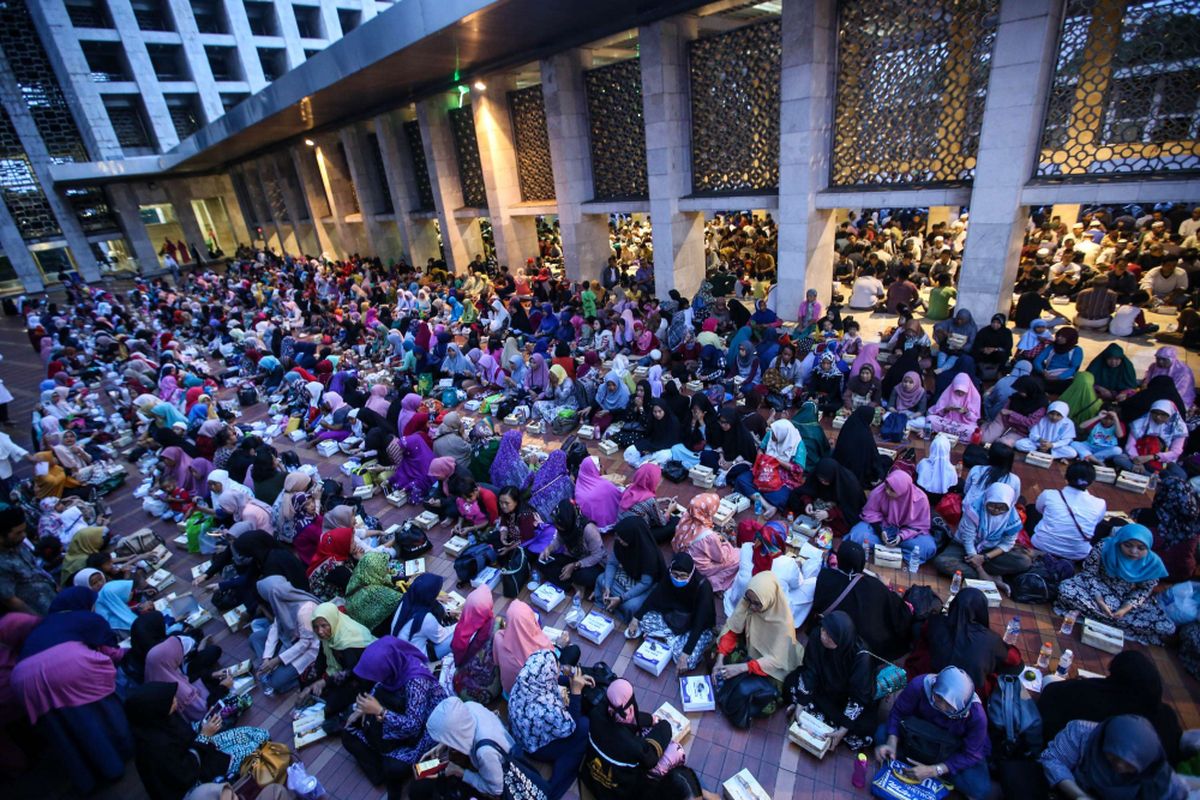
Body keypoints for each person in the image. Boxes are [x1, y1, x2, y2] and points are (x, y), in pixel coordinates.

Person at [11, 591, 133, 794]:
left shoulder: (44, 624)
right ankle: (114, 763)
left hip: (22, 678)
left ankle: (86, 778)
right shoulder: (86, 617)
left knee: (61, 728)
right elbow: (112, 652)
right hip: (67, 665)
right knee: (97, 714)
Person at [125, 681, 269, 800]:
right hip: (194, 779)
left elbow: (187, 734)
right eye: (170, 700)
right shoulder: (154, 747)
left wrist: (205, 724)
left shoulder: (161, 721)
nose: (175, 700)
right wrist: (205, 736)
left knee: (256, 734)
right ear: (156, 709)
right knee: (253, 748)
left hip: (203, 749)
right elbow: (185, 774)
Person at [342, 637, 448, 797]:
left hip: (421, 730)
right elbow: (379, 687)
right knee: (348, 733)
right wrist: (361, 711)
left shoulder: (417, 682)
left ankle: (388, 769)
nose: (377, 678)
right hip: (392, 717)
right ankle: (381, 773)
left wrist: (380, 712)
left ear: (387, 667)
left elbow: (413, 726)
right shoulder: (393, 669)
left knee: (395, 768)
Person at [1038, 651, 1183, 765]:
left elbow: (1052, 694)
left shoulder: (1094, 697)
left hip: (1072, 761)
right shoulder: (1166, 715)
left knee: (1049, 679)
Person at [876, 668, 991, 800]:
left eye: (949, 705)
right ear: (934, 686)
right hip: (917, 739)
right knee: (881, 735)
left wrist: (934, 770)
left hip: (949, 751)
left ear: (962, 705)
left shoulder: (977, 716)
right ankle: (923, 766)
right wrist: (892, 743)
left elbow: (970, 754)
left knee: (979, 788)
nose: (941, 706)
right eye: (938, 697)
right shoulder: (919, 685)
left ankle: (924, 767)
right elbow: (898, 713)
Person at [1054, 524, 1175, 645]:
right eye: (1128, 545)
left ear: (1148, 548)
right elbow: (1089, 574)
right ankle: (1115, 623)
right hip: (1094, 592)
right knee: (1066, 589)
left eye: (1141, 548)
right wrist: (1100, 601)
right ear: (1119, 541)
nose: (1133, 551)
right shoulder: (1105, 547)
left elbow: (1144, 590)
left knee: (1166, 626)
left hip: (1124, 599)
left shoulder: (1152, 563)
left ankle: (1100, 618)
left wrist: (1125, 608)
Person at [783, 611, 877, 750]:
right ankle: (810, 713)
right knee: (791, 683)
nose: (824, 637)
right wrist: (801, 704)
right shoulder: (817, 635)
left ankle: (821, 720)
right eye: (823, 630)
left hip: (845, 700)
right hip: (822, 687)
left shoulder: (861, 657)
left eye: (830, 636)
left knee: (863, 728)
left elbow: (859, 697)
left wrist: (843, 729)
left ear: (842, 639)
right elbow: (810, 670)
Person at [508, 648, 593, 800]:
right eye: (556, 667)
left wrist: (572, 679)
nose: (559, 669)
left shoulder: (524, 681)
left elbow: (552, 678)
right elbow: (571, 726)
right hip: (537, 748)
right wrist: (576, 692)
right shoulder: (546, 709)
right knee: (584, 726)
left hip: (523, 738)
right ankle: (553, 788)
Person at [905, 588, 1020, 700]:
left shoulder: (935, 622)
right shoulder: (991, 639)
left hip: (931, 680)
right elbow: (1015, 659)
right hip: (967, 694)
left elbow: (923, 637)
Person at [1038, 716, 1188, 800]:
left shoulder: (1161, 779)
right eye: (1113, 757)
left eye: (1130, 765)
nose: (1120, 767)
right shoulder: (1083, 734)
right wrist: (1078, 795)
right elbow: (1052, 759)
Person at [811, 541, 913, 659]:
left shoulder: (825, 577)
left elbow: (819, 605)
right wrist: (886, 587)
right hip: (873, 651)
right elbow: (902, 612)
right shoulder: (874, 585)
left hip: (837, 646)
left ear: (839, 560)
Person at [580, 678, 674, 800]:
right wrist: (664, 726)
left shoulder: (595, 715)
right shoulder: (634, 746)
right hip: (618, 793)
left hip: (591, 780)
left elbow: (624, 716)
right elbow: (651, 758)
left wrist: (649, 719)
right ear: (630, 709)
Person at [409, 697, 514, 800]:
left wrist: (460, 772)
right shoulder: (469, 707)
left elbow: (496, 789)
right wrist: (444, 743)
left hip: (505, 775)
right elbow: (461, 728)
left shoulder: (484, 752)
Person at [628, 552, 717, 672]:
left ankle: (669, 639)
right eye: (675, 575)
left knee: (688, 661)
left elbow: (700, 623)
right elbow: (655, 595)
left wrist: (686, 653)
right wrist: (636, 618)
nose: (678, 579)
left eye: (683, 576)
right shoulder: (669, 575)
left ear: (691, 573)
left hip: (693, 627)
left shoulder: (703, 587)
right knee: (644, 620)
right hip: (672, 618)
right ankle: (672, 640)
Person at [935, 483, 1030, 584]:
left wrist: (984, 557)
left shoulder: (1012, 518)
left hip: (990, 551)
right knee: (941, 562)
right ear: (986, 500)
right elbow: (968, 539)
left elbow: (1007, 543)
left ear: (1010, 506)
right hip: (962, 547)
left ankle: (979, 573)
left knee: (1024, 561)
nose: (996, 510)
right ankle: (987, 576)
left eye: (1002, 508)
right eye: (992, 505)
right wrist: (979, 567)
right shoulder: (973, 510)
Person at [248, 575, 320, 694]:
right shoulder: (280, 601)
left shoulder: (305, 609)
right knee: (254, 638)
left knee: (275, 684)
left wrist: (276, 660)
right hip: (291, 640)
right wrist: (267, 658)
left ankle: (304, 677)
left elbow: (305, 643)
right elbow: (275, 627)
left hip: (310, 649)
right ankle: (267, 667)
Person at [847, 471, 936, 564]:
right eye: (887, 486)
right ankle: (896, 551)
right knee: (857, 534)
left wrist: (901, 537)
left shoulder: (920, 499)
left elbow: (919, 526)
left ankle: (883, 549)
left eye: (892, 490)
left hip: (908, 535)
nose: (887, 491)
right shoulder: (879, 491)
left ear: (903, 490)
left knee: (927, 547)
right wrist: (880, 531)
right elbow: (870, 512)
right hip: (882, 528)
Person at [594, 516, 665, 626]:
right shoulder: (621, 542)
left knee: (630, 606)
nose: (618, 540)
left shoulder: (649, 556)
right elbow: (612, 563)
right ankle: (609, 604)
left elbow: (645, 583)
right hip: (629, 576)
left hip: (645, 585)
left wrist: (622, 598)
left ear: (633, 538)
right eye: (617, 536)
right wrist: (607, 586)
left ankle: (620, 613)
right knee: (601, 580)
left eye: (622, 538)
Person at [1031, 461, 1107, 561]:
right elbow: (1096, 521)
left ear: (1066, 477)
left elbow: (1039, 509)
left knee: (1031, 509)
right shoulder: (1100, 503)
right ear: (1091, 481)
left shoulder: (1049, 494)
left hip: (1041, 545)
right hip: (1078, 554)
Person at [671, 494, 739, 592]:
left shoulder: (686, 516)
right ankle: (713, 583)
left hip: (681, 554)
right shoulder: (709, 536)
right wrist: (724, 543)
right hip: (699, 567)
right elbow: (720, 557)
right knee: (737, 557)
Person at [538, 499, 606, 593]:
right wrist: (549, 548)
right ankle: (572, 584)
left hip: (592, 563)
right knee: (542, 562)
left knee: (582, 576)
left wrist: (575, 565)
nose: (558, 527)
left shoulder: (589, 530)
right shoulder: (563, 525)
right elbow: (559, 539)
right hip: (574, 557)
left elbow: (598, 555)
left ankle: (570, 582)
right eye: (557, 525)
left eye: (560, 525)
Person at [0, 506, 56, 615]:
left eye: (23, 531)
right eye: (18, 533)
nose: (24, 535)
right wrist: (36, 619)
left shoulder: (18, 545)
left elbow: (36, 568)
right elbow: (10, 599)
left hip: (51, 597)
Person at [391, 573, 457, 660]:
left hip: (401, 650)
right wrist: (462, 620)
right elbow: (442, 636)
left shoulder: (406, 599)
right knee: (461, 632)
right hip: (418, 657)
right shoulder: (425, 618)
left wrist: (445, 610)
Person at [1112, 399, 1188, 474]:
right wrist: (1137, 461)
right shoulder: (1140, 423)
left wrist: (1152, 457)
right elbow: (1130, 446)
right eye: (1155, 413)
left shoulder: (1179, 428)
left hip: (1162, 461)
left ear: (1171, 414)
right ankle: (1153, 477)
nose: (1158, 417)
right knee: (1119, 459)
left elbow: (1176, 452)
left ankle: (1146, 474)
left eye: (1163, 414)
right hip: (1138, 456)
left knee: (1180, 474)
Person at [617, 463, 679, 544]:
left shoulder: (630, 488)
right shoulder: (650, 500)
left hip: (621, 529)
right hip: (636, 538)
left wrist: (659, 500)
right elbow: (662, 522)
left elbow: (639, 504)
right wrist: (670, 510)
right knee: (676, 521)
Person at [925, 372, 981, 441]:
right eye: (957, 391)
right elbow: (939, 412)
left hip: (963, 424)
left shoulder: (975, 396)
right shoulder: (948, 392)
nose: (960, 393)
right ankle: (953, 435)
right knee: (929, 419)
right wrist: (946, 409)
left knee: (973, 432)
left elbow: (974, 419)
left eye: (963, 391)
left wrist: (966, 412)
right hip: (947, 422)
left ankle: (945, 433)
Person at [574, 455, 623, 530]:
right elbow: (619, 495)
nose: (600, 468)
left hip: (592, 528)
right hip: (612, 521)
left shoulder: (580, 483)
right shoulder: (605, 485)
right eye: (598, 466)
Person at [1033, 326, 1083, 394]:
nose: (1059, 338)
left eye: (1062, 337)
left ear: (1070, 339)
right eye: (1058, 335)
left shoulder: (1076, 350)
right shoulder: (1052, 347)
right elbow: (1038, 360)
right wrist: (1042, 371)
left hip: (1065, 378)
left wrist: (1058, 377)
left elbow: (1073, 368)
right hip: (1047, 374)